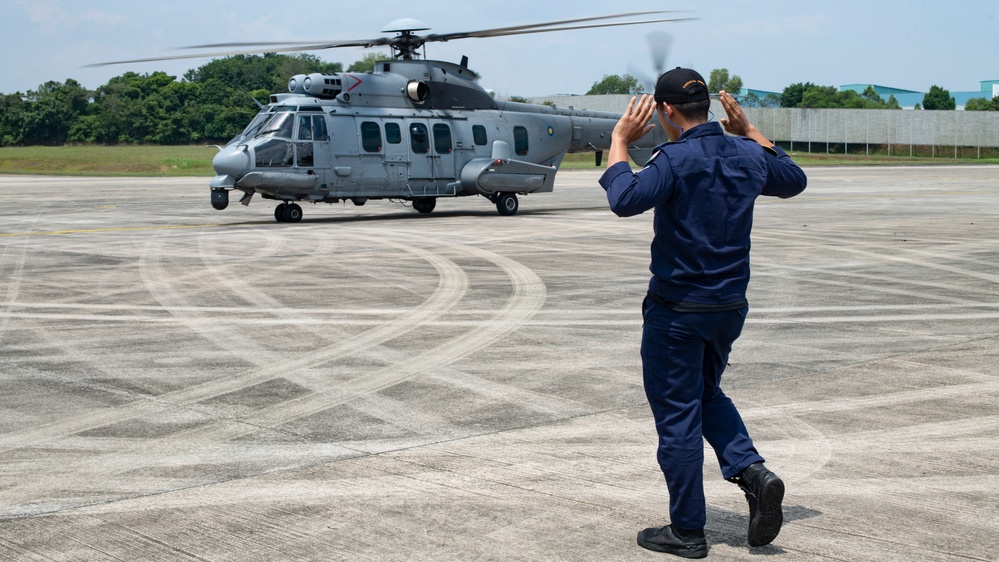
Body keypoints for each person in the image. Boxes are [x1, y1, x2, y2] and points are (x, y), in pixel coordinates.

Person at [598, 67, 807, 558]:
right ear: (708, 108)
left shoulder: (673, 158)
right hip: (729, 307)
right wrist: (750, 131)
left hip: (678, 312)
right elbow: (793, 180)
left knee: (677, 418)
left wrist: (619, 140)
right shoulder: (746, 154)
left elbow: (623, 198)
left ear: (667, 111)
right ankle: (752, 472)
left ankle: (688, 531)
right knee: (705, 392)